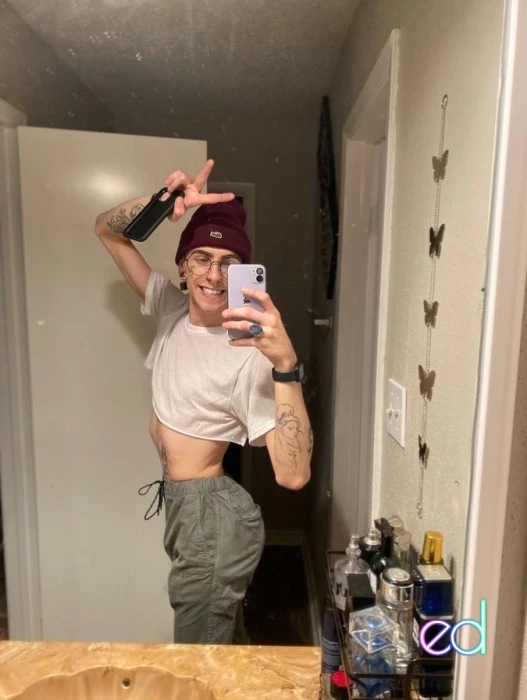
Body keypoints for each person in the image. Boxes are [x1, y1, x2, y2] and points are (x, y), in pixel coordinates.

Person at [95, 159, 313, 645]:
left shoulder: (249, 352)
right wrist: (161, 204)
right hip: (183, 507)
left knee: (197, 657)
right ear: (183, 265)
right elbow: (107, 231)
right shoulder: (171, 307)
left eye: (228, 263)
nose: (214, 274)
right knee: (220, 648)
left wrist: (285, 365)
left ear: (244, 275)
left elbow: (293, 475)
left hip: (210, 517)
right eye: (201, 258)